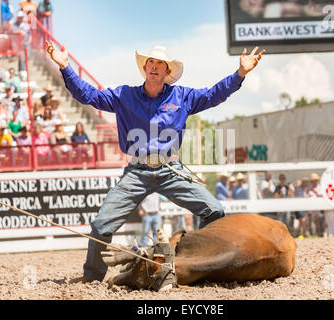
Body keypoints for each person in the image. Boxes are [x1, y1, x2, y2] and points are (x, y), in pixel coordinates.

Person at [46, 40, 266, 283]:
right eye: (150, 62)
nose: (153, 66)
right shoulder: (124, 95)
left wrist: (240, 74)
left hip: (171, 169)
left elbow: (215, 94)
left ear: (167, 71)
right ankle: (92, 277)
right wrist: (65, 67)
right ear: (145, 68)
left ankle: (207, 266)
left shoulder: (182, 96)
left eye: (159, 63)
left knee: (215, 211)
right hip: (137, 172)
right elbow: (88, 95)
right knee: (101, 226)